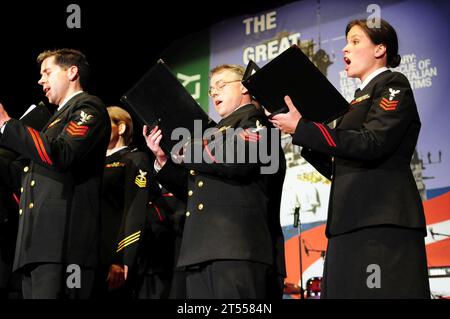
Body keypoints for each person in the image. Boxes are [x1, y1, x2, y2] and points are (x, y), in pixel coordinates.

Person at [269, 19, 430, 298]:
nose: (345, 49)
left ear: (380, 49)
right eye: (346, 42)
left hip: (379, 222)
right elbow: (340, 165)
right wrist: (301, 134)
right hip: (348, 224)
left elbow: (373, 143)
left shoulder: (392, 83)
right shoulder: (354, 103)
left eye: (355, 41)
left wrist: (303, 128)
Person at [143, 64, 286, 299]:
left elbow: (238, 159)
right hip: (200, 251)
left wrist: (184, 148)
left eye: (221, 85)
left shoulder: (259, 124)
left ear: (244, 87)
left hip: (238, 250)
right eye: (211, 90)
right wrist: (163, 160)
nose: (215, 93)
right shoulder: (213, 136)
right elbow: (194, 190)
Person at [0, 48, 111, 299]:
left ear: (72, 72)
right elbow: (18, 176)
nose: (41, 80)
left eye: (47, 72)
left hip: (64, 246)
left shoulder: (88, 106)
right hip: (36, 245)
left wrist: (7, 124)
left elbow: (62, 154)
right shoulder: (50, 123)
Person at [99, 106, 176, 299]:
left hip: (123, 259)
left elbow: (134, 209)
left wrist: (122, 257)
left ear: (122, 128)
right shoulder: (92, 163)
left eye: (103, 123)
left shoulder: (135, 159)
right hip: (96, 255)